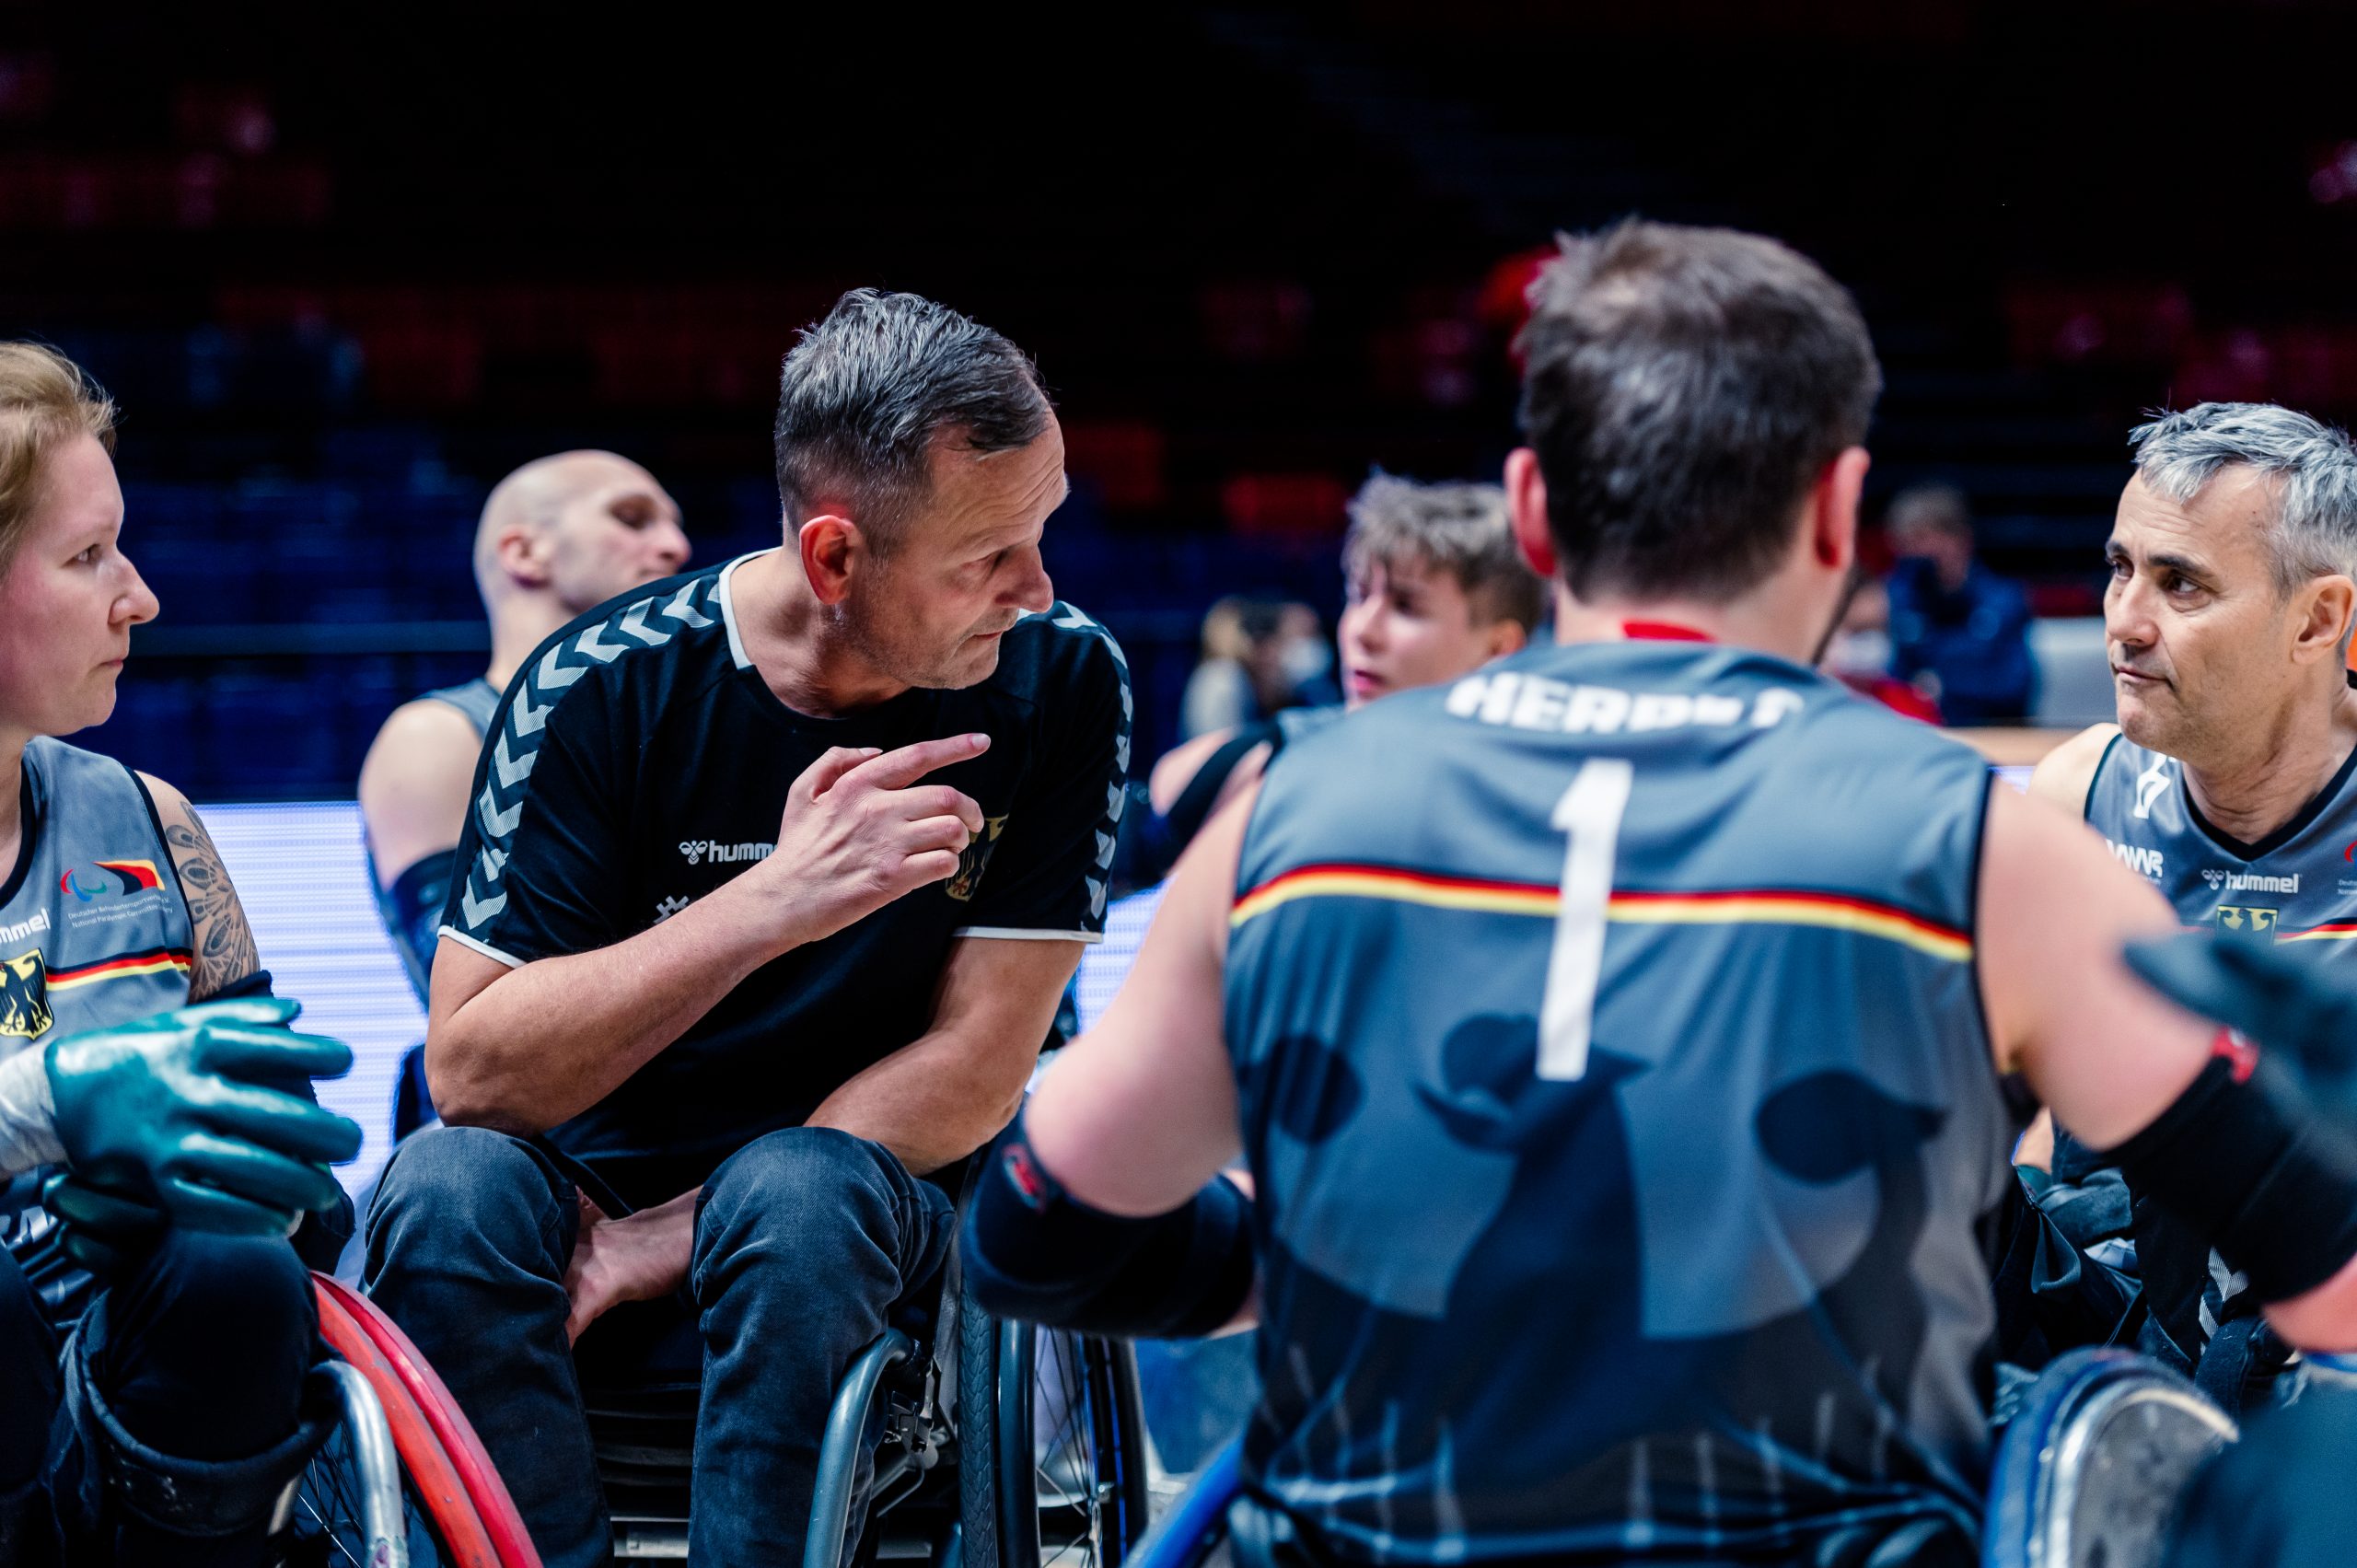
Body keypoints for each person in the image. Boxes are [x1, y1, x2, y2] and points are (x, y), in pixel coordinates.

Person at [956, 222, 2357, 1568]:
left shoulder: (1290, 817)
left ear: (1528, 512)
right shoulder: (1989, 847)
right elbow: (2323, 1271)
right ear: (1837, 512)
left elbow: (1029, 1227)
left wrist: (1328, 1248)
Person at [362, 289, 1129, 1568]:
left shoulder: (1066, 677)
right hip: (593, 1182)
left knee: (793, 1189)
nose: (1037, 583)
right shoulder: (595, 684)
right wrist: (772, 900)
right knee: (441, 1187)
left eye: (1042, 530)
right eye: (986, 555)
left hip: (860, 1195)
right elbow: (473, 1070)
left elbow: (984, 1065)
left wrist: (673, 1235)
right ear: (835, 557)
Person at [0, 342, 363, 1565]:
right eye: (88, 554)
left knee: (237, 1275)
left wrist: (260, 1182)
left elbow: (299, 1189)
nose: (140, 595)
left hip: (124, 1381)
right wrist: (56, 1116)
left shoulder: (149, 820)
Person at [2020, 401, 2357, 1402]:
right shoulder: (2075, 791)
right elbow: (2039, 1103)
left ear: (2318, 618)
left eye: (2180, 584)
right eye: (2121, 567)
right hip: (2116, 1305)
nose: (2122, 619)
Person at [356, 450, 689, 1138]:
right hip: (527, 1146)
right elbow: (487, 1011)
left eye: (675, 526)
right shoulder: (438, 738)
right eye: (631, 518)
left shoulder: (692, 734)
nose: (676, 547)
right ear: (524, 550)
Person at [1145, 475, 1543, 860]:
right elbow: (1170, 784)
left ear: (1497, 648)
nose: (1362, 631)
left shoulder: (1537, 793)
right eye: (1359, 595)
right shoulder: (1291, 755)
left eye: (1406, 607)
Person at [1885, 483, 2037, 724]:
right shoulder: (1899, 596)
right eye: (1906, 542)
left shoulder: (2004, 600)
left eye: (1921, 538)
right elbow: (1893, 678)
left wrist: (1946, 686)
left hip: (1994, 733)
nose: (1914, 552)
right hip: (1922, 734)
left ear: (1960, 539)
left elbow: (2015, 686)